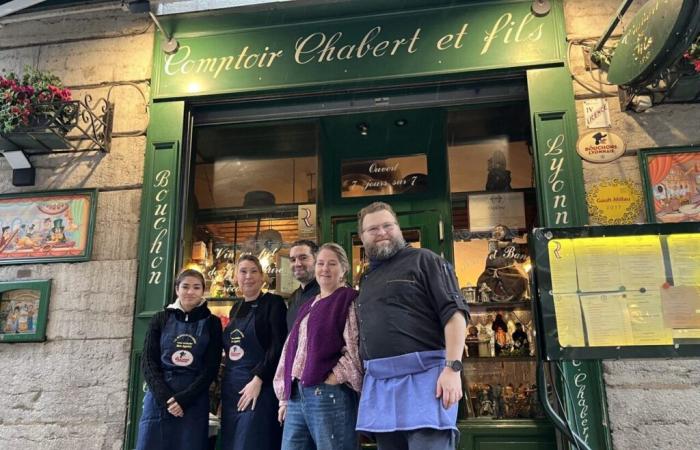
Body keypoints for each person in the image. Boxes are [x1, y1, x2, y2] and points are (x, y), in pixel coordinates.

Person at [354, 202, 469, 450]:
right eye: (373, 229)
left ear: (398, 228)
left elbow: (455, 315)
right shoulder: (366, 278)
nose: (382, 232)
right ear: (362, 237)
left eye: (388, 225)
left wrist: (453, 369)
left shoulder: (425, 260)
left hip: (427, 379)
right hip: (380, 383)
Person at [274, 243, 363, 450]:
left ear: (343, 270)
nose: (325, 269)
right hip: (298, 394)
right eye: (321, 263)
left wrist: (335, 377)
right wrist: (285, 395)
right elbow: (291, 350)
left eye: (332, 264)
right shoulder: (308, 304)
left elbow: (355, 345)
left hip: (328, 394)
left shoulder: (348, 299)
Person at [137, 269, 223, 450]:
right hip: (160, 399)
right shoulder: (160, 319)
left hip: (194, 400)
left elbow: (211, 367)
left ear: (203, 291)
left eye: (196, 287)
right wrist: (167, 399)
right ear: (177, 290)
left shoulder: (212, 323)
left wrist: (183, 399)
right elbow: (148, 363)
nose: (190, 292)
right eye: (185, 286)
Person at [220, 254, 287, 450]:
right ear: (235, 278)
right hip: (233, 390)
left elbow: (278, 346)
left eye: (253, 271)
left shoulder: (273, 303)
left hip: (260, 388)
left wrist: (258, 379)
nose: (248, 276)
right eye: (243, 271)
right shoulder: (235, 309)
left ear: (262, 277)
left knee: (252, 441)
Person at [286, 240, 320, 332]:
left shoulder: (327, 293)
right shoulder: (293, 298)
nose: (297, 264)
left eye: (303, 258)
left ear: (316, 260)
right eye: (293, 260)